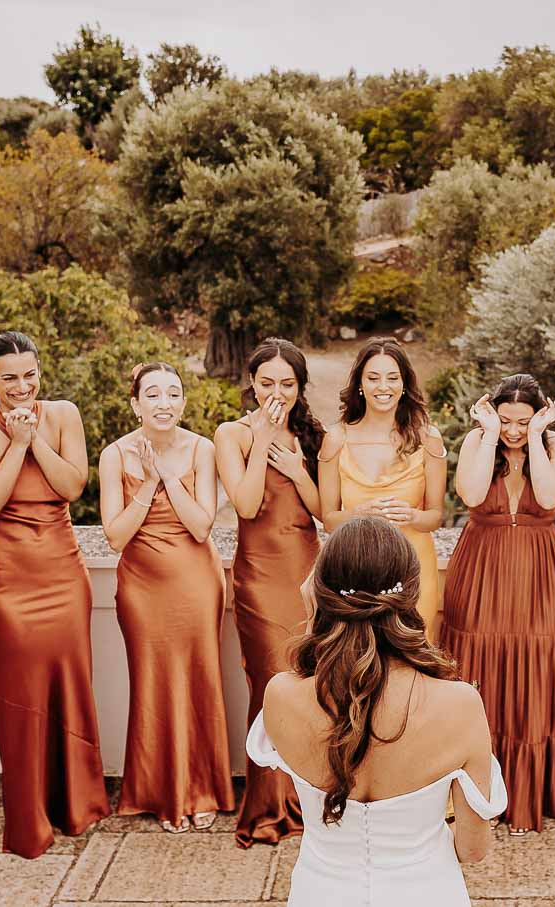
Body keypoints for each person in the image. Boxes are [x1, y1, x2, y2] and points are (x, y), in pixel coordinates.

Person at [248, 516, 506, 906]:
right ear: (412, 595)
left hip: (321, 893)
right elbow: (472, 849)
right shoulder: (460, 705)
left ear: (318, 594)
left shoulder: (282, 695)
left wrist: (316, 615)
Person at [0, 331, 109, 857]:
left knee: (71, 688)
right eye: (9, 378)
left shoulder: (64, 415)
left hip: (63, 573)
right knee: (20, 700)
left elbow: (72, 486)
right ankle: (29, 817)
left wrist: (34, 437)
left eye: (29, 375)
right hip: (7, 580)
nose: (21, 386)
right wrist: (16, 444)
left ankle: (76, 804)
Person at [99, 362, 235, 833]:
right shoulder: (114, 455)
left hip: (196, 582)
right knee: (153, 684)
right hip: (141, 588)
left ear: (183, 402)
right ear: (135, 404)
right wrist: (147, 484)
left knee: (200, 680)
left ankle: (202, 789)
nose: (165, 403)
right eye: (153, 394)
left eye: (173, 394)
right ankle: (161, 793)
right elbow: (115, 536)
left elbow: (200, 526)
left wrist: (167, 476)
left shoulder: (201, 448)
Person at [443, 374, 555, 835]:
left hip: (540, 572)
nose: (513, 430)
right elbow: (473, 495)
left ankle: (524, 796)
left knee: (534, 672)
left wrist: (536, 437)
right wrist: (489, 434)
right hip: (481, 568)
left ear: (538, 417)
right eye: (506, 420)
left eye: (523, 421)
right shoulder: (477, 443)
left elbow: (551, 495)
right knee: (478, 670)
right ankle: (476, 796)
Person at [214, 338, 325, 848]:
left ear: (300, 386)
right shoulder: (231, 434)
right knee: (270, 681)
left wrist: (299, 470)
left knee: (310, 682)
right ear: (252, 384)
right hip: (259, 576)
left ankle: (311, 797)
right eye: (266, 383)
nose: (276, 393)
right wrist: (260, 441)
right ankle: (268, 805)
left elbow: (324, 511)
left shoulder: (313, 435)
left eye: (287, 383)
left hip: (308, 572)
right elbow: (246, 503)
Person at [319, 338, 446, 641]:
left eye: (392, 378)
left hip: (414, 569)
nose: (383, 387)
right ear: (360, 384)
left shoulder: (428, 438)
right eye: (373, 378)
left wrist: (413, 516)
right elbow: (329, 520)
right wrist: (356, 514)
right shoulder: (336, 439)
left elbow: (435, 516)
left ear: (404, 384)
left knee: (413, 652)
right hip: (356, 570)